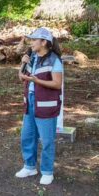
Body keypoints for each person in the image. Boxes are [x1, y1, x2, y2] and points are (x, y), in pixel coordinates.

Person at [15, 28, 64, 184]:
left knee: (47, 140)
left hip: (46, 105)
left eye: (34, 39)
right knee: (27, 136)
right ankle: (29, 166)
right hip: (30, 102)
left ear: (44, 42)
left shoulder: (54, 60)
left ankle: (47, 171)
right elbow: (22, 78)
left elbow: (57, 84)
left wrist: (37, 81)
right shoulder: (32, 57)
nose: (31, 42)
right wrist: (22, 64)